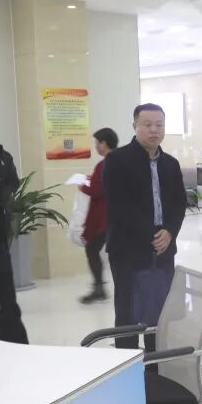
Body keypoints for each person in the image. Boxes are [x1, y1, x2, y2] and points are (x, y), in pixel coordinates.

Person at [103, 104, 186, 350]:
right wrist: (152, 235)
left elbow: (179, 204)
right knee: (128, 311)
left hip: (164, 249)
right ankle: (127, 363)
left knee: (159, 311)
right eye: (147, 124)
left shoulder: (171, 164)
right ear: (134, 126)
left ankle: (155, 365)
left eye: (159, 125)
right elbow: (119, 206)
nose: (154, 130)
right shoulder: (117, 160)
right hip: (128, 249)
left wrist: (169, 232)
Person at [79, 127, 119, 304]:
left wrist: (83, 186)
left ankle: (99, 289)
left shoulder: (105, 164)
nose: (95, 146)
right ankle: (101, 287)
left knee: (92, 249)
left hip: (104, 217)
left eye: (97, 142)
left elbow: (98, 189)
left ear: (104, 143)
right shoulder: (120, 160)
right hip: (116, 216)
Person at [0, 143, 28, 344]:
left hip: (0, 240)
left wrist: (4, 196)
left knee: (7, 300)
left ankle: (16, 346)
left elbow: (13, 183)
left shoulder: (3, 156)